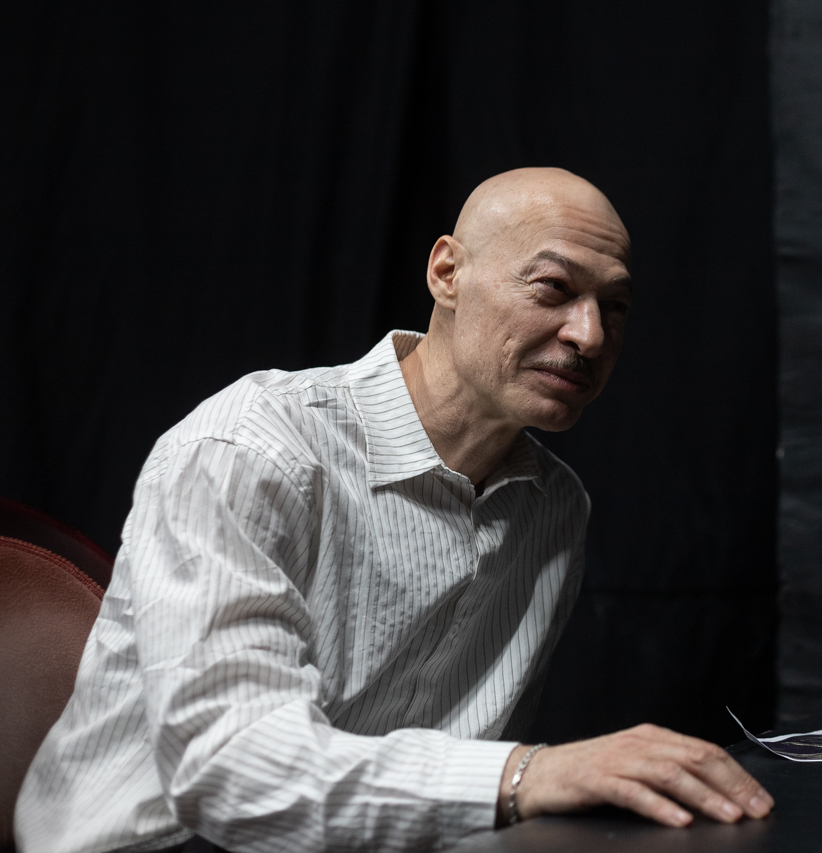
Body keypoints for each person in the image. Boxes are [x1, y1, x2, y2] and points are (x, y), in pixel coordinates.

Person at [15, 168, 773, 853]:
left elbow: (443, 798)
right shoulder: (251, 446)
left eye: (615, 306)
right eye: (552, 289)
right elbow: (229, 770)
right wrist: (531, 774)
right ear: (447, 272)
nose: (590, 335)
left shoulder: (556, 507)